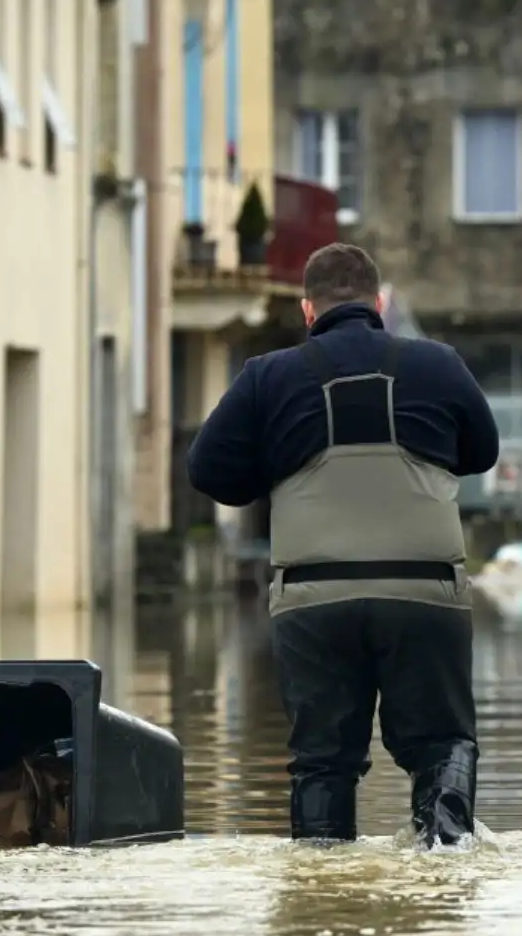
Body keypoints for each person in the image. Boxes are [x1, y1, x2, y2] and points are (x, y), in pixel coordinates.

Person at [186, 243, 501, 847]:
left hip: (313, 598)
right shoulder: (439, 364)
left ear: (308, 311)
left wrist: (274, 476)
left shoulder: (267, 375)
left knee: (322, 762)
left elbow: (208, 471)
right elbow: (481, 452)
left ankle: (321, 888)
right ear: (379, 304)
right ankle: (446, 865)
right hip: (424, 593)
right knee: (441, 744)